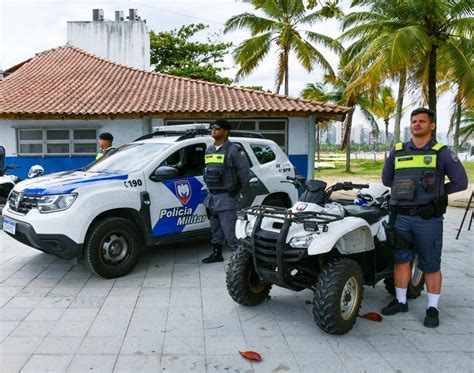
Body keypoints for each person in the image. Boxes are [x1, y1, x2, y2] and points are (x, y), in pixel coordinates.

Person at [381, 108, 468, 328]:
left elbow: (461, 182)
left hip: (427, 219)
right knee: (401, 260)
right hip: (400, 217)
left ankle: (432, 308)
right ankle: (400, 301)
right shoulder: (398, 151)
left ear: (432, 126)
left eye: (421, 121)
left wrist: (437, 195)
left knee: (430, 264)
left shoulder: (442, 152)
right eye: (413, 121)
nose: (416, 124)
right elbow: (386, 180)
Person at [202, 119, 250, 263]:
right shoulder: (209, 150)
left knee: (230, 231)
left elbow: (244, 171)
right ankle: (217, 254)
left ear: (226, 131)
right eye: (212, 128)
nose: (213, 130)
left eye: (217, 128)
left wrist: (237, 188)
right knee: (215, 228)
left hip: (227, 196)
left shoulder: (233, 149)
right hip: (212, 197)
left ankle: (240, 261)